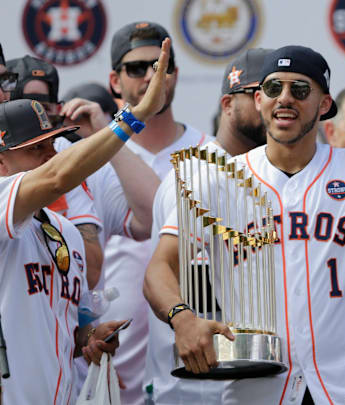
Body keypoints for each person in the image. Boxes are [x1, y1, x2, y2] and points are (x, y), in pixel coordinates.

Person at [144, 44, 345, 404]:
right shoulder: (218, 178)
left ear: (324, 105)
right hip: (257, 389)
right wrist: (182, 317)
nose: (284, 99)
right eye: (272, 88)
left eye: (299, 90)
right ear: (260, 100)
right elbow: (159, 268)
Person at [0, 36, 171, 404]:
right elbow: (58, 176)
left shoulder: (66, 233)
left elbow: (66, 326)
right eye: (35, 149)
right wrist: (134, 116)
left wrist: (88, 339)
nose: (51, 154)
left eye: (53, 143)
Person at [143, 47, 271, 404]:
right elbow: (177, 280)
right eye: (259, 93)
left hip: (247, 379)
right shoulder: (194, 175)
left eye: (278, 90)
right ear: (228, 105)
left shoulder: (265, 180)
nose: (273, 103)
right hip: (193, 386)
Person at [101, 21, 212, 405]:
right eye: (136, 68)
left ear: (175, 74)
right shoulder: (96, 158)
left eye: (161, 64)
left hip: (194, 372)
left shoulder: (213, 155)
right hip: (109, 362)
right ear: (115, 81)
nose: (151, 75)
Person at [6, 55, 105, 289]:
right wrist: (130, 120)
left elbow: (90, 272)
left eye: (43, 105)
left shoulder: (64, 157)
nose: (51, 154)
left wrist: (89, 329)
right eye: (37, 147)